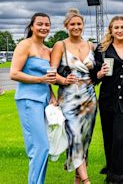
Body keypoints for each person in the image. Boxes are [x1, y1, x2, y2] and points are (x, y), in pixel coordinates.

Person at [50, 8, 96, 184]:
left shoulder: (90, 45)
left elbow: (97, 70)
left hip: (89, 99)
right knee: (75, 136)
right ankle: (86, 180)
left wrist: (97, 74)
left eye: (79, 24)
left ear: (83, 25)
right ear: (66, 26)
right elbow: (51, 74)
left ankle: (78, 180)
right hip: (68, 99)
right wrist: (63, 79)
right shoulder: (60, 45)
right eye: (72, 24)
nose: (76, 27)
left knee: (84, 140)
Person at [10, 12, 57, 184]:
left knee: (41, 149)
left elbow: (49, 77)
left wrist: (52, 95)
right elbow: (14, 73)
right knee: (40, 147)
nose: (44, 27)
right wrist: (40, 79)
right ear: (32, 26)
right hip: (28, 100)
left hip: (44, 100)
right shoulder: (25, 45)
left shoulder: (47, 49)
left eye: (47, 24)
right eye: (40, 24)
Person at [94, 16, 123, 184]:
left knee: (120, 137)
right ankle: (111, 171)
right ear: (111, 30)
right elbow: (94, 76)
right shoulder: (102, 49)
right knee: (109, 137)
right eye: (116, 27)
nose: (119, 30)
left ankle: (120, 177)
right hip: (107, 100)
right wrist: (99, 74)